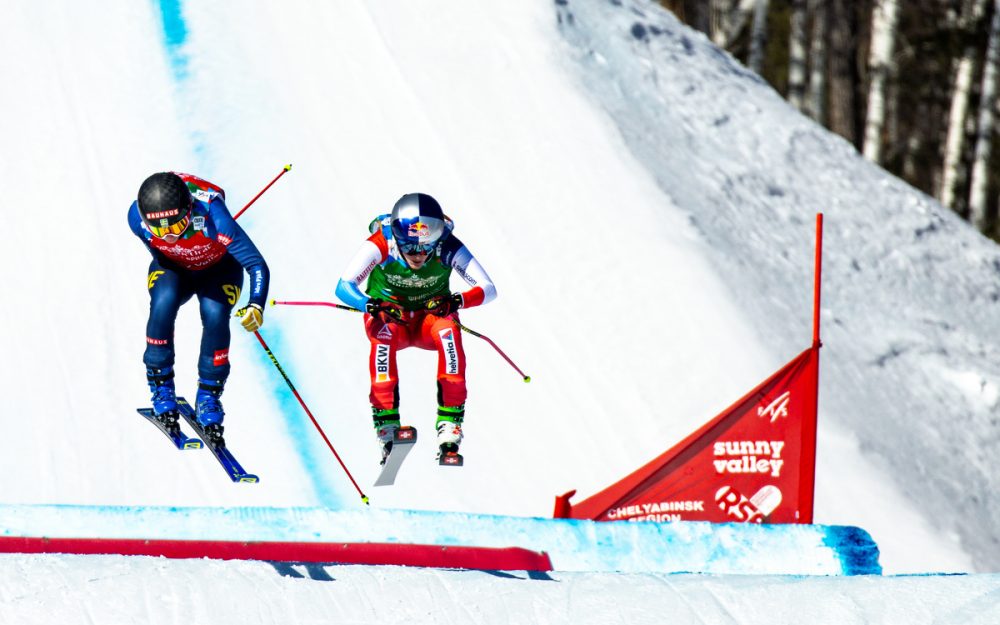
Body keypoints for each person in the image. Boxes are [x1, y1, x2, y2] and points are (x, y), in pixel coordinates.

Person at [335, 193, 497, 463]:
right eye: (410, 248)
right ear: (398, 237)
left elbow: (488, 289)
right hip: (392, 317)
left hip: (428, 320)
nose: (419, 254)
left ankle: (450, 425)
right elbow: (343, 286)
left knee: (449, 333)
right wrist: (371, 305)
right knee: (383, 336)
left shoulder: (447, 245)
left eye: (426, 247)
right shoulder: (382, 242)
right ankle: (386, 425)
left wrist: (456, 301)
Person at [128, 171, 269, 445]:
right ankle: (161, 387)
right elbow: (159, 250)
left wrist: (256, 305)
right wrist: (180, 256)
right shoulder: (136, 219)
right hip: (175, 268)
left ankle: (209, 397)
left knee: (215, 315)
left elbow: (257, 265)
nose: (168, 234)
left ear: (189, 211)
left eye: (176, 224)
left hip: (219, 270)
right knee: (163, 303)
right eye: (159, 228)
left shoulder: (215, 220)